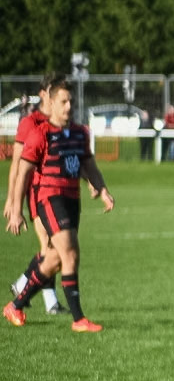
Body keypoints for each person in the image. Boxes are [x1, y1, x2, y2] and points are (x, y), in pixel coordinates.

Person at [4, 76, 115, 331]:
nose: (68, 106)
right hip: (49, 198)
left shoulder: (79, 133)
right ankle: (78, 319)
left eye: (71, 102)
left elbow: (89, 165)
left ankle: (16, 305)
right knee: (70, 253)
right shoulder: (39, 133)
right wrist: (17, 208)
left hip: (72, 199)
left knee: (53, 259)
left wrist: (103, 190)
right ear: (51, 103)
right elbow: (23, 172)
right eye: (63, 102)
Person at [6, 80, 64, 316]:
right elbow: (17, 165)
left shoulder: (60, 123)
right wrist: (12, 200)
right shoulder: (30, 123)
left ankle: (22, 285)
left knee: (52, 249)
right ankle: (45, 301)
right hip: (37, 193)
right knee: (51, 249)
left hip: (56, 193)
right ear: (43, 94)